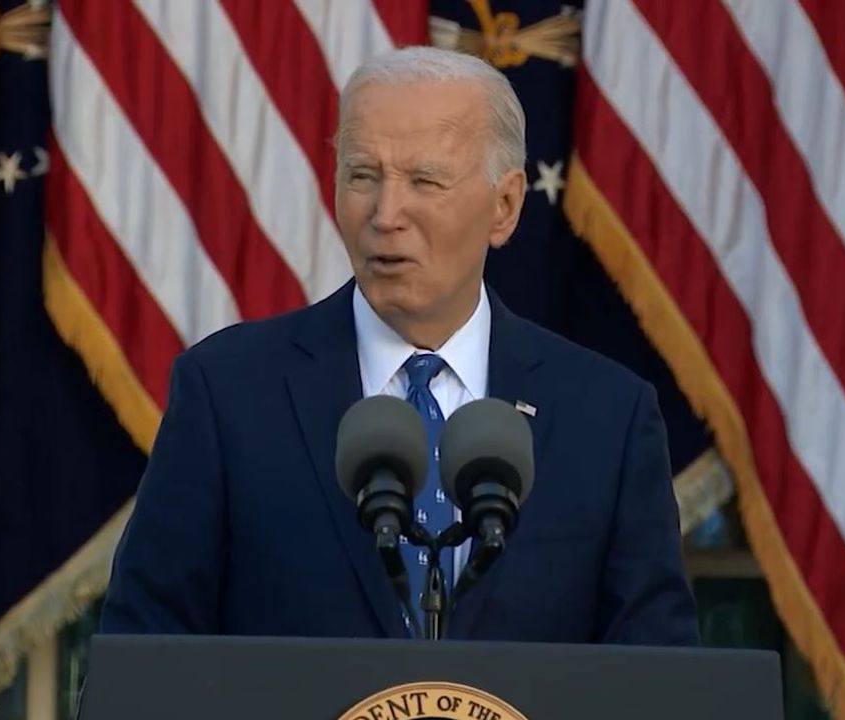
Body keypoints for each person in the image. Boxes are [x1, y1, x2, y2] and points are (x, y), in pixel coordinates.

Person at [98, 46, 698, 646]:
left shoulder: (609, 418)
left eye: (425, 181)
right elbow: (143, 652)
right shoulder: (227, 394)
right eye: (362, 176)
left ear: (505, 205)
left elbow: (658, 674)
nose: (386, 215)